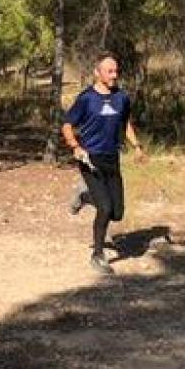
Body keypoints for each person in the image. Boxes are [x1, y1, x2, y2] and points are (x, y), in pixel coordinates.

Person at [61, 52, 145, 275]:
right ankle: (97, 255)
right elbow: (67, 124)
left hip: (112, 159)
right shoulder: (87, 98)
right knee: (105, 208)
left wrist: (137, 147)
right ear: (97, 73)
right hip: (91, 159)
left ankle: (85, 196)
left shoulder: (121, 98)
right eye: (110, 71)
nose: (114, 75)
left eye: (116, 71)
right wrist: (75, 147)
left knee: (117, 213)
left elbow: (125, 123)